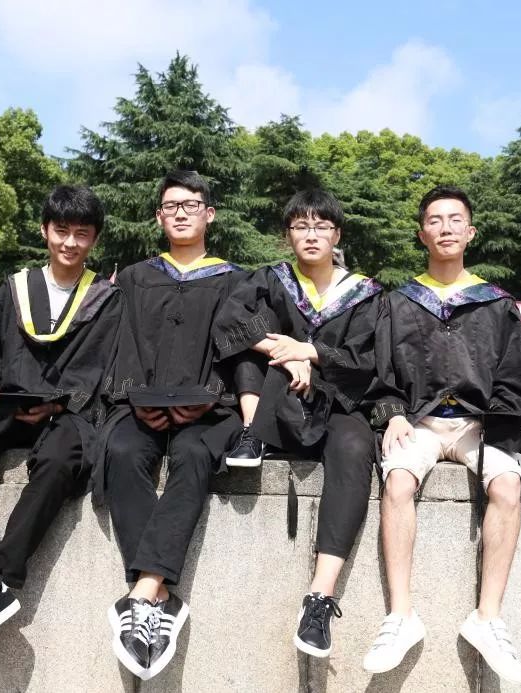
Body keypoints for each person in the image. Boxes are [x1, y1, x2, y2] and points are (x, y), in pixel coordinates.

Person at [0, 184, 120, 661]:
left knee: (60, 458)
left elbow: (104, 371)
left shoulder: (105, 298)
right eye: (61, 231)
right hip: (9, 406)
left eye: (82, 233)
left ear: (94, 239)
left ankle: (0, 577)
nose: (70, 243)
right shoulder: (16, 289)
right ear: (44, 230)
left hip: (67, 411)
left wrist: (58, 406)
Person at [363, 185, 521, 684]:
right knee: (398, 481)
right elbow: (380, 372)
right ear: (422, 233)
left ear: (470, 232)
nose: (445, 228)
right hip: (418, 423)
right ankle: (401, 616)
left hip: (477, 425)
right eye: (435, 220)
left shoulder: (496, 304)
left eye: (455, 219)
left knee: (508, 486)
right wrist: (394, 414)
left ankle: (488, 618)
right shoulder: (397, 301)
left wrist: (495, 424)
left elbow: (515, 378)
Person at [97, 170, 255, 680]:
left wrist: (213, 399)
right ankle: (160, 597)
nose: (181, 212)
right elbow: (117, 345)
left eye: (191, 204)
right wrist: (134, 398)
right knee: (122, 452)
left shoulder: (236, 280)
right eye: (171, 206)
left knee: (192, 454)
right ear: (158, 217)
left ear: (210, 214)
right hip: (138, 406)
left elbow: (244, 350)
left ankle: (143, 594)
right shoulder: (135, 277)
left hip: (208, 408)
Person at [213, 189, 382, 659]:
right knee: (254, 348)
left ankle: (320, 598)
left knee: (354, 449)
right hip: (276, 395)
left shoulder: (364, 293)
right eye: (301, 226)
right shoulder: (270, 279)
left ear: (337, 235)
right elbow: (229, 324)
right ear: (287, 235)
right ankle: (252, 435)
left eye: (321, 226)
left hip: (337, 402)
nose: (311, 235)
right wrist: (285, 354)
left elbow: (369, 360)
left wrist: (310, 351)